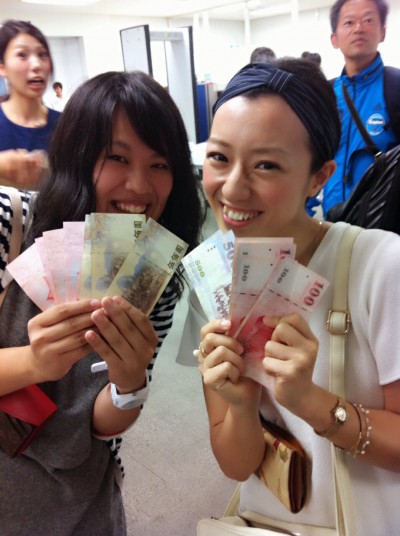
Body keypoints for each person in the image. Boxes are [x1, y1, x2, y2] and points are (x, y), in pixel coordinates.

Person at [190, 58, 400, 535]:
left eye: (266, 165)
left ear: (319, 177)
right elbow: (236, 465)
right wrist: (241, 406)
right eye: (219, 157)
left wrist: (310, 401)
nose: (232, 188)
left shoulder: (380, 265)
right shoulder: (213, 276)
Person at [0, 70, 203, 535]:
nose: (140, 185)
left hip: (85, 506)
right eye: (117, 157)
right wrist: (34, 363)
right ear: (78, 155)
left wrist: (130, 380)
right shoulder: (11, 222)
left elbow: (101, 428)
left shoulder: (156, 270)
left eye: (160, 164)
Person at [309, 0, 400, 218]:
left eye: (368, 20)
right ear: (334, 39)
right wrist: (303, 215)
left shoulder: (395, 88)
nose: (359, 28)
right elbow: (312, 158)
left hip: (382, 225)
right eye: (349, 22)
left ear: (383, 32)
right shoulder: (326, 95)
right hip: (332, 221)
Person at [0, 19, 61, 189]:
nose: (36, 65)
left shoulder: (67, 125)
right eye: (22, 55)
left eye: (42, 55)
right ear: (2, 67)